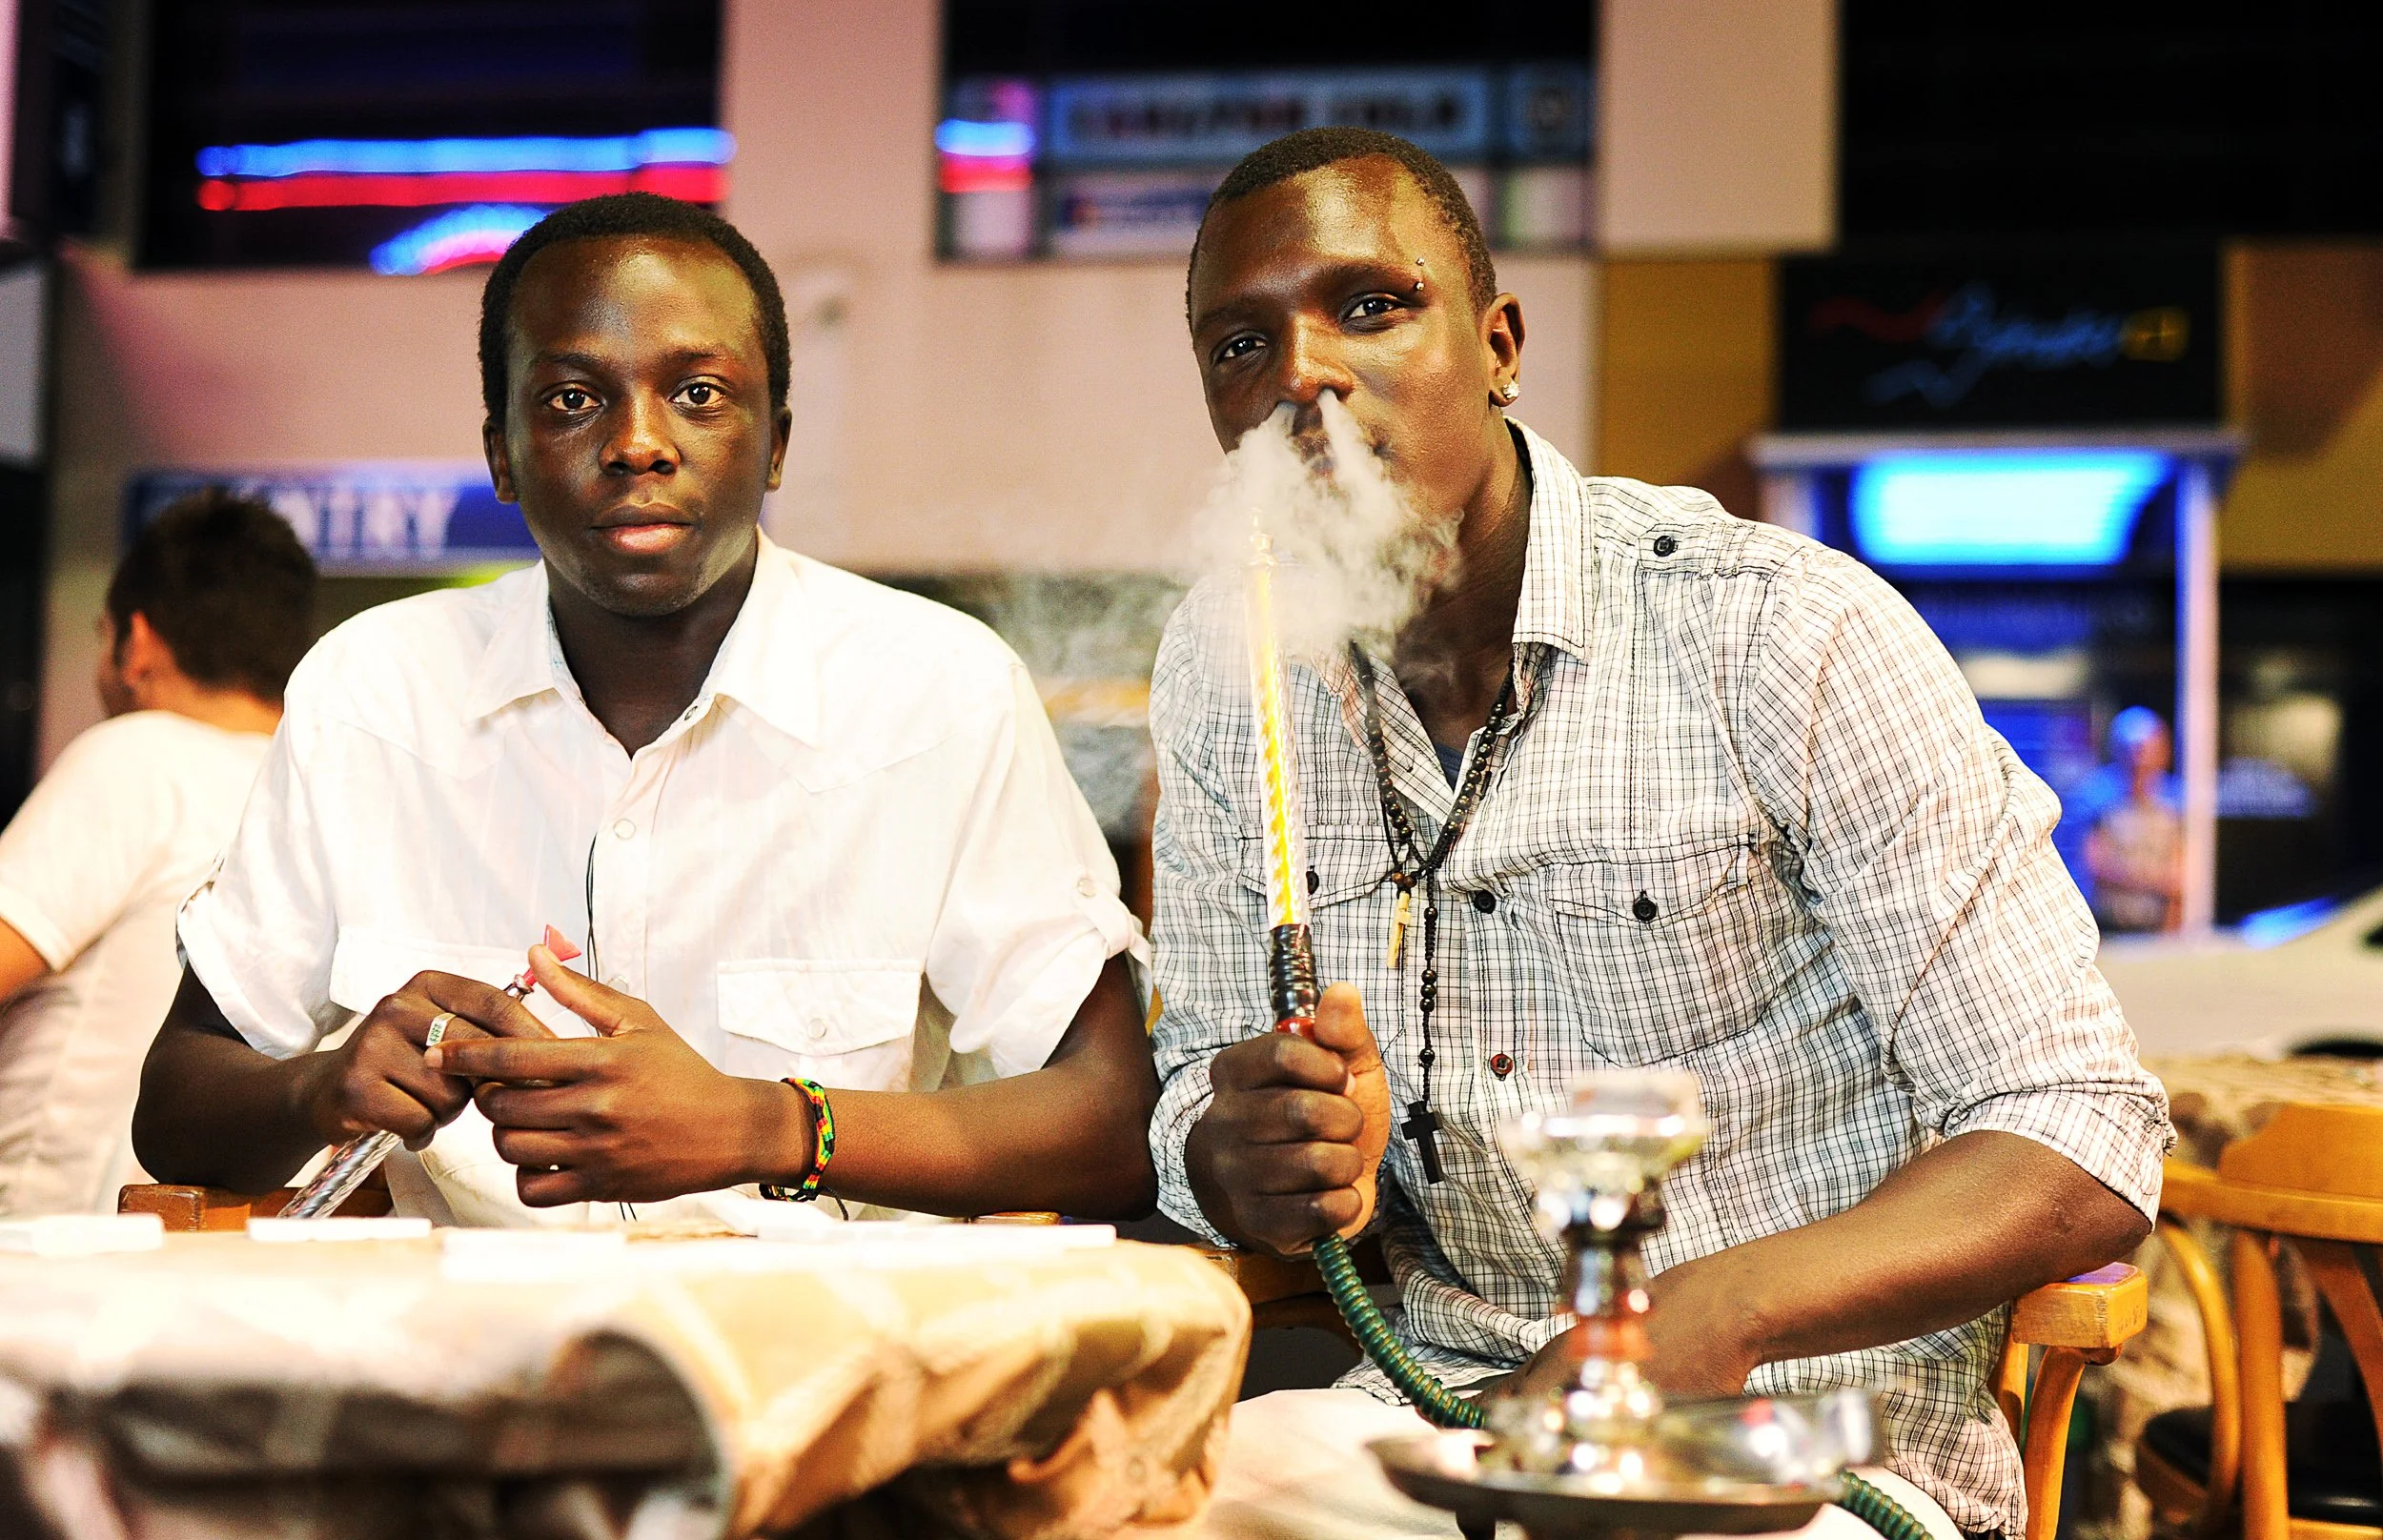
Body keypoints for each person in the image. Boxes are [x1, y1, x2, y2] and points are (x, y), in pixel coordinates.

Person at [1149, 129, 2169, 1540]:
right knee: (1139, 1507)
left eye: (1371, 306)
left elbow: (2079, 1134)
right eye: (1238, 347)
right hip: (1446, 1414)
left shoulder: (1780, 631)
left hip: (1808, 1438)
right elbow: (1193, 1100)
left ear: (1500, 343)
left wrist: (1711, 1315)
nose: (1302, 376)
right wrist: (1238, 1156)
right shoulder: (1227, 659)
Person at [134, 193, 1157, 1227]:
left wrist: (763, 1125)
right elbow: (176, 1103)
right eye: (574, 398)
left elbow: (1113, 1118)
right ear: (501, 451)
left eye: (700, 393)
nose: (638, 443)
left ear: (775, 445)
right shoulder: (369, 694)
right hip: (466, 1361)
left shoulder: (937, 692)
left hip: (820, 1366)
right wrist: (320, 1088)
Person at [0, 493, 314, 1218]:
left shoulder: (137, 756)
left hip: (58, 1244)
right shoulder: (311, 788)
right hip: (223, 1246)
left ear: (136, 643)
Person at [2079, 707, 2183, 934]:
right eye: (2131, 750)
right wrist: (2153, 880)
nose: (2139, 759)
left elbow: (2180, 879)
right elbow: (2095, 867)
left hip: (2158, 931)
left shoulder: (2175, 802)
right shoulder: (2095, 797)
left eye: (2146, 750)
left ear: (2162, 752)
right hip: (2107, 928)